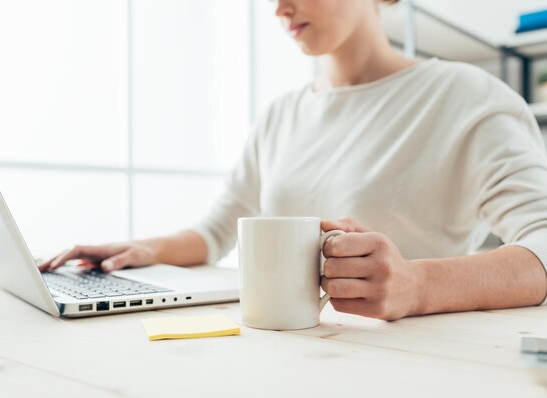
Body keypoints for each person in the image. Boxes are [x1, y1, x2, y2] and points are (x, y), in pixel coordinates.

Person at [39, 0, 547, 321]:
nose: (280, 8)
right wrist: (141, 249)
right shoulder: (282, 113)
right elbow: (218, 230)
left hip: (396, 362)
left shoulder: (467, 96)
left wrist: (416, 285)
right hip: (278, 351)